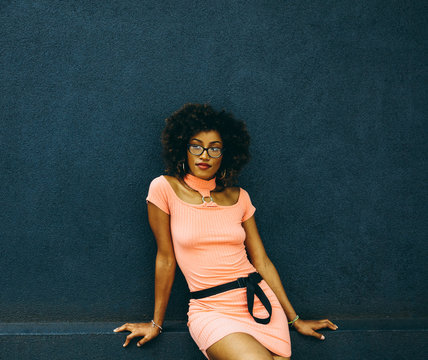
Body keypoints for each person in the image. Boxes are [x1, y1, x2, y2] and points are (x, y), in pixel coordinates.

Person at [114, 103, 337, 360]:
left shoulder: (240, 197)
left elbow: (262, 261)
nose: (204, 155)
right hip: (211, 310)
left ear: (226, 154)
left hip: (260, 306)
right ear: (182, 150)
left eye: (214, 148)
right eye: (196, 146)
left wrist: (295, 319)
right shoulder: (164, 188)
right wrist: (156, 323)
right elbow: (165, 258)